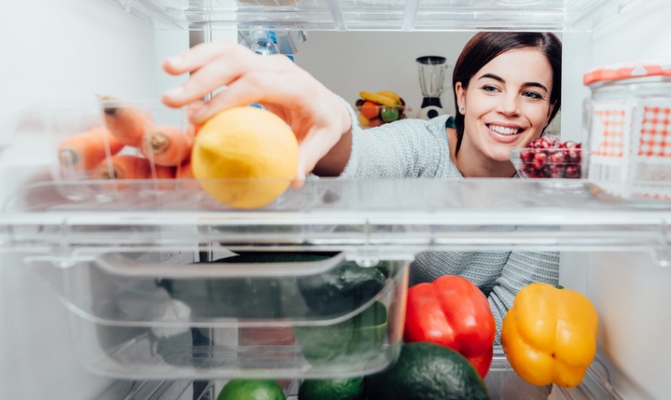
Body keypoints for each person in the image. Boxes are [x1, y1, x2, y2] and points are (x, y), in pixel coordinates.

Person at [161, 32, 562, 342]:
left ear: (549, 113)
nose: (509, 106)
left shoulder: (545, 192)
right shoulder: (420, 144)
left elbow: (517, 316)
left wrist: (416, 332)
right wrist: (332, 119)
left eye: (531, 94)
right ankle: (171, 296)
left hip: (457, 356)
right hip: (365, 335)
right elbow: (364, 158)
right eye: (491, 87)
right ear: (461, 95)